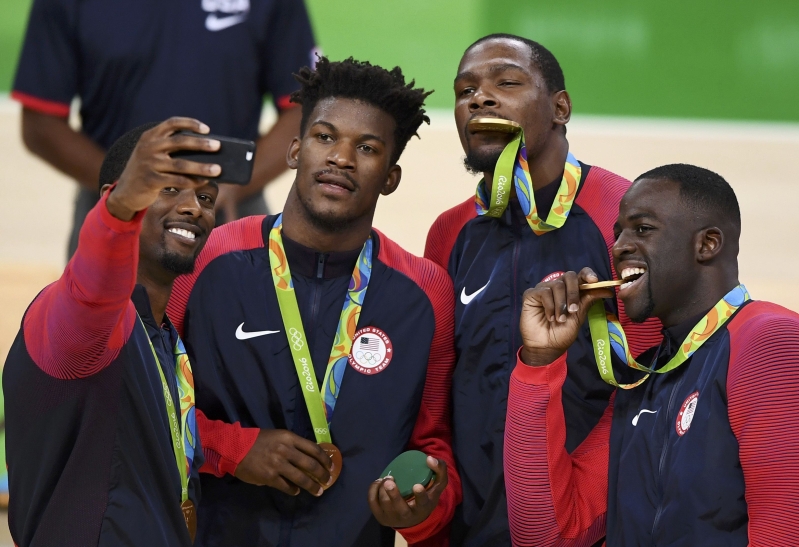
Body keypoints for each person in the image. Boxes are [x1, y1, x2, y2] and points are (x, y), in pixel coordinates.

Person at [166, 57, 461, 546]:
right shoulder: (208, 259)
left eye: (366, 148)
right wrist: (232, 448)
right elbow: (151, 402)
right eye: (325, 137)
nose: (341, 158)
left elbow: (433, 445)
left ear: (391, 176)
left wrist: (424, 508)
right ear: (295, 150)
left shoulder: (426, 293)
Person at [423, 33, 662, 545]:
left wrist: (571, 510)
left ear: (560, 107)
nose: (479, 98)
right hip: (472, 526)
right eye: (465, 91)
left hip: (586, 525)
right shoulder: (449, 233)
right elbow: (441, 387)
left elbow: (653, 378)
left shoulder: (623, 215)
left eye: (506, 82)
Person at [506, 164, 799, 546]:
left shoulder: (770, 341)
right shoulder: (643, 377)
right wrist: (538, 363)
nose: (620, 246)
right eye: (618, 233)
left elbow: (784, 529)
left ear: (707, 244)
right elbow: (546, 536)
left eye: (642, 229)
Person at [3, 118, 222, 546]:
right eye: (169, 189)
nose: (194, 207)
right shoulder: (81, 318)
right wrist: (122, 208)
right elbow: (94, 290)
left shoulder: (164, 338)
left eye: (206, 197)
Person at [12, 0, 317, 258]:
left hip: (230, 208)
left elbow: (304, 104)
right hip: (112, 207)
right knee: (97, 328)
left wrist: (233, 187)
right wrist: (127, 188)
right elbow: (40, 121)